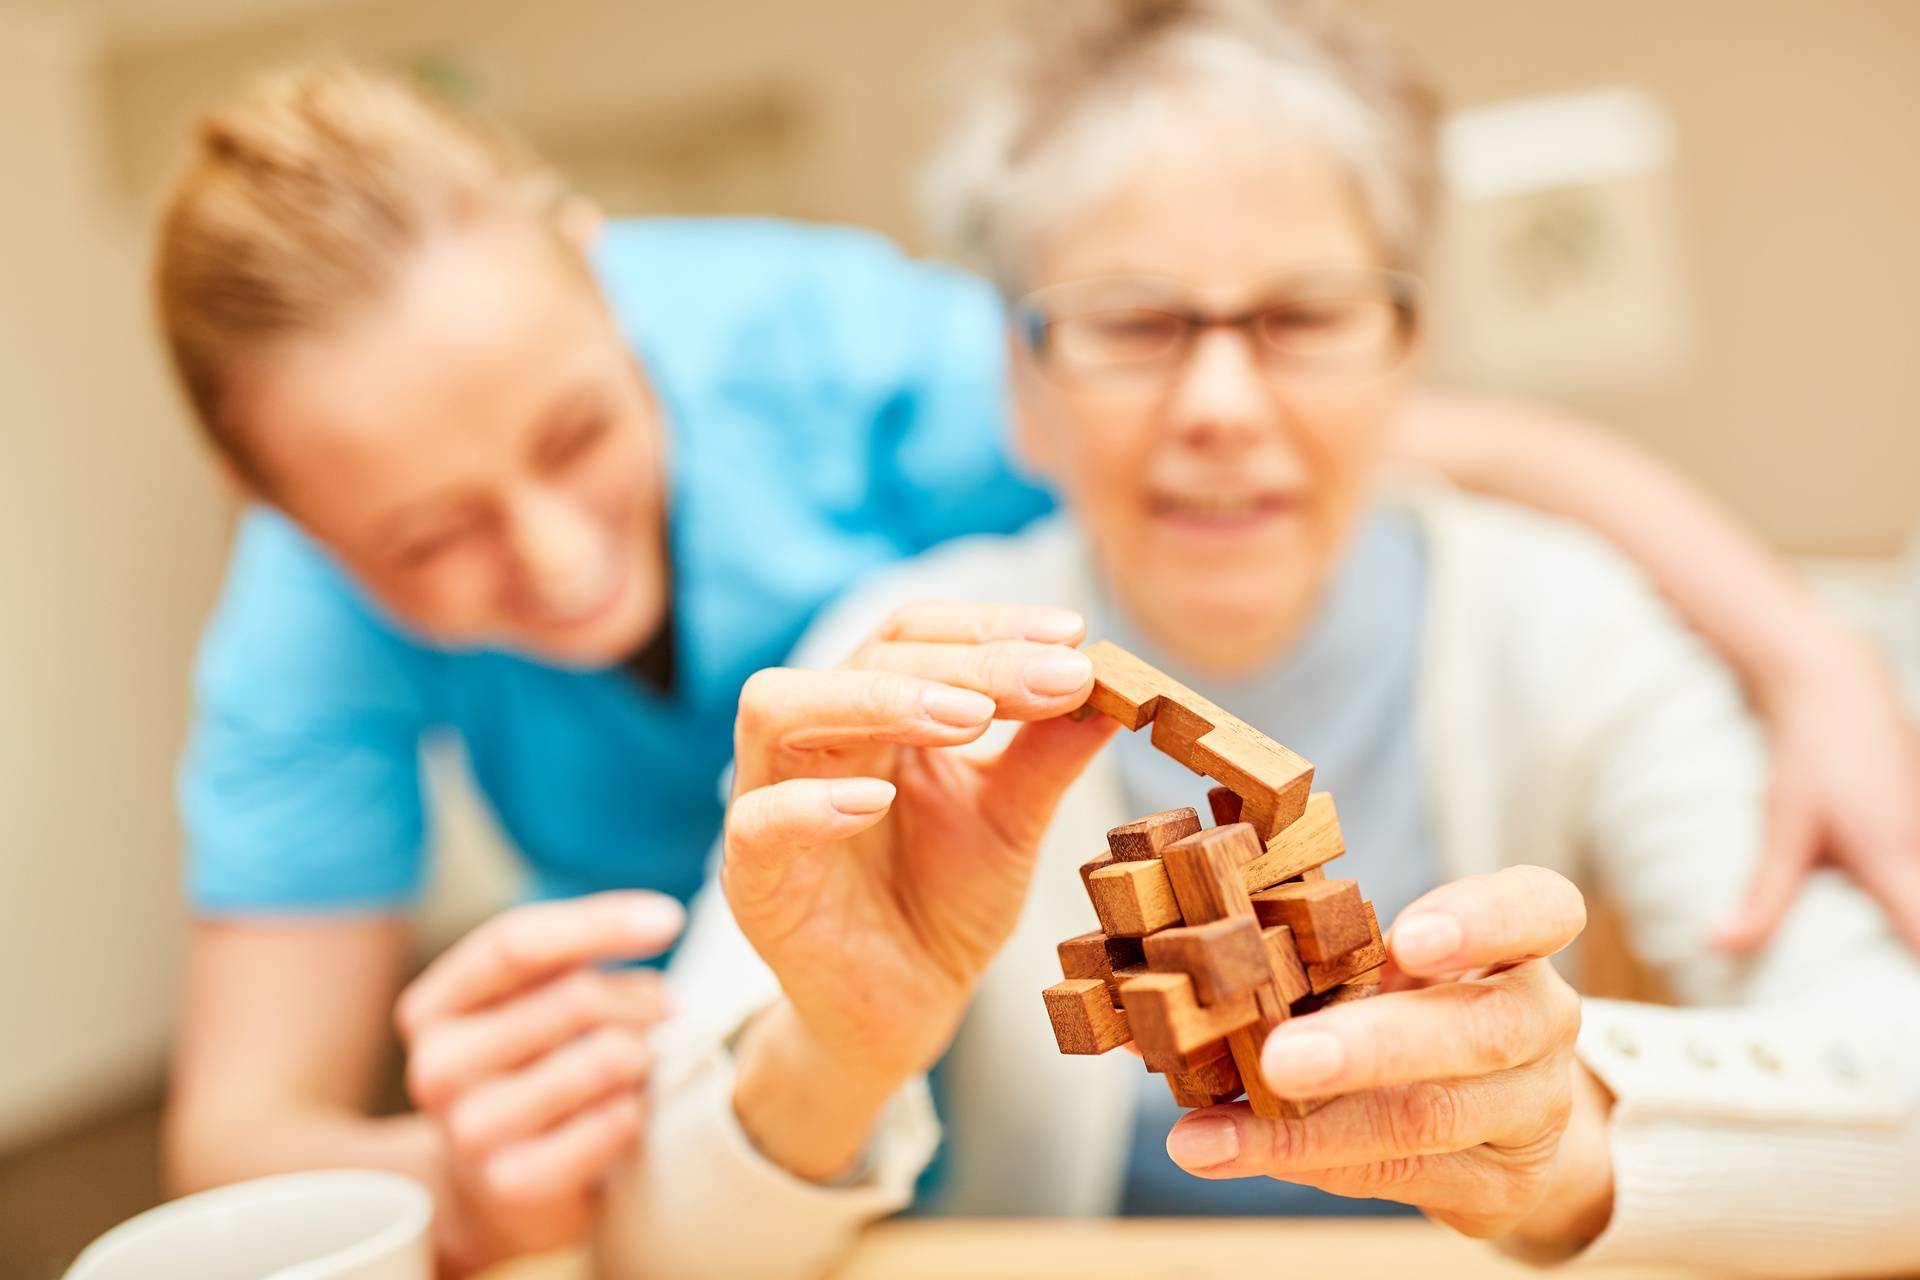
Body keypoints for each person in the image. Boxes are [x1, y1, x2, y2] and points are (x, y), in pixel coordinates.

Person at [601, 3, 1920, 1276]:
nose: (1222, 403)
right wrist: (838, 1051)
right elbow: (656, 1249)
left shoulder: (1567, 625)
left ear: (1405, 356)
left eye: (1303, 317)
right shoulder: (906, 670)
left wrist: (1564, 1137)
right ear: (1023, 388)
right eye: (1131, 323)